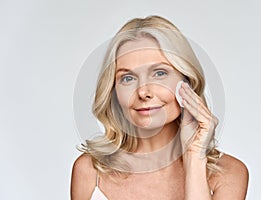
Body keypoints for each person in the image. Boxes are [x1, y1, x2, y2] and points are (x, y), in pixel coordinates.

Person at [71, 15, 249, 200]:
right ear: (114, 90)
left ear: (186, 81)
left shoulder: (228, 174)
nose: (143, 92)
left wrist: (194, 158)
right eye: (128, 78)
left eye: (159, 73)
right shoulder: (90, 171)